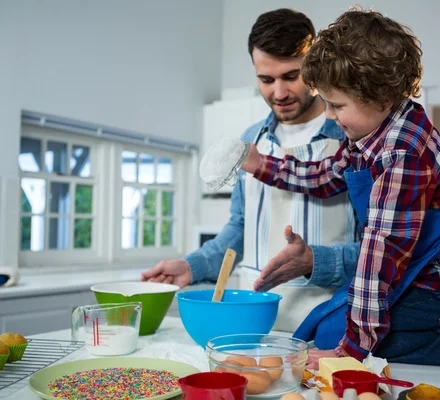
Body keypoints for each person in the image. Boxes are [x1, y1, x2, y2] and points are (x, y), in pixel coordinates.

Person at [241, 9, 440, 367]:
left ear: (381, 98)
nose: (332, 117)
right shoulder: (371, 131)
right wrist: (262, 165)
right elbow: (325, 175)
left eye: (337, 106)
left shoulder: (403, 152)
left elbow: (381, 253)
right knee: (331, 323)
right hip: (424, 277)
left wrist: (348, 354)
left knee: (342, 336)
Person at [141, 8, 359, 332]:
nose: (279, 93)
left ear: (314, 65)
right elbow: (241, 227)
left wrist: (314, 261)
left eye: (291, 76)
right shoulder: (250, 140)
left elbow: (385, 249)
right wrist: (191, 266)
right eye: (266, 80)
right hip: (254, 324)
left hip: (331, 325)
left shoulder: (351, 135)